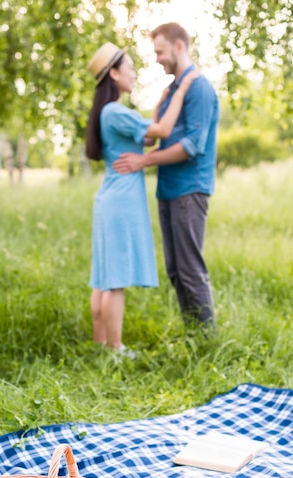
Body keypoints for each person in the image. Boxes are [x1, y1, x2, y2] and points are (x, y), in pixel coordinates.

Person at [86, 42, 199, 354]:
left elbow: (146, 136)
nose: (134, 74)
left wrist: (161, 99)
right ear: (114, 73)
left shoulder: (110, 112)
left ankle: (101, 345)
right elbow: (162, 131)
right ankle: (116, 348)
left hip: (111, 197)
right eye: (130, 68)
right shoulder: (115, 111)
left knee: (103, 277)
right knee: (114, 280)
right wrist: (180, 89)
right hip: (120, 201)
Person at [113, 23, 219, 331]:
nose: (157, 58)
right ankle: (193, 336)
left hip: (190, 189)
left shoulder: (197, 86)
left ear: (179, 47)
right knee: (175, 270)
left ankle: (207, 342)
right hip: (169, 189)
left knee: (189, 270)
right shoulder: (173, 89)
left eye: (160, 51)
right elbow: (157, 132)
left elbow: (191, 146)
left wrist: (143, 162)